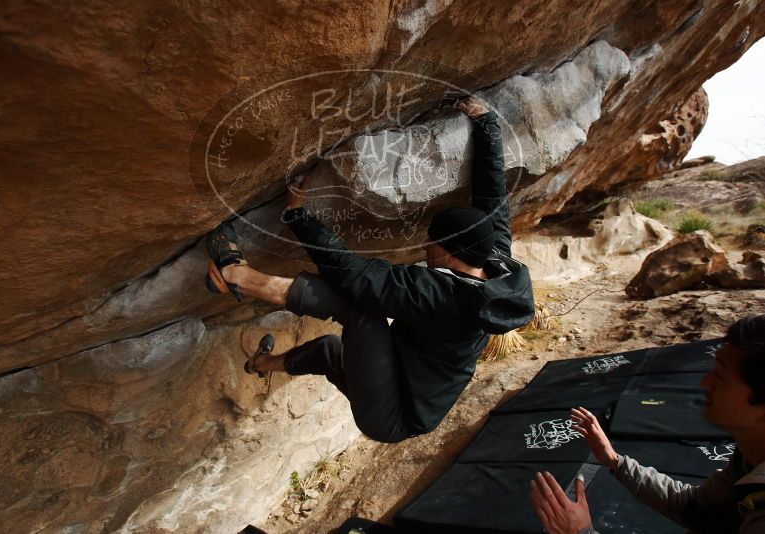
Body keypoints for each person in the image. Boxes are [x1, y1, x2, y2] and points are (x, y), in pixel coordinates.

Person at [204, 97, 535, 443]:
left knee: (359, 311)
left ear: (453, 256)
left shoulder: (440, 295)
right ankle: (260, 364)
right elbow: (493, 195)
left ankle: (234, 274)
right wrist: (486, 123)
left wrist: (297, 217)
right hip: (403, 382)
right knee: (330, 352)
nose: (425, 247)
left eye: (434, 242)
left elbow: (353, 275)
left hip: (392, 415)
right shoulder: (495, 260)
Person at [529, 314, 765, 533]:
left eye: (721, 376)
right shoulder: (748, 456)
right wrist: (614, 461)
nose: (705, 382)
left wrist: (580, 531)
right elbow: (693, 507)